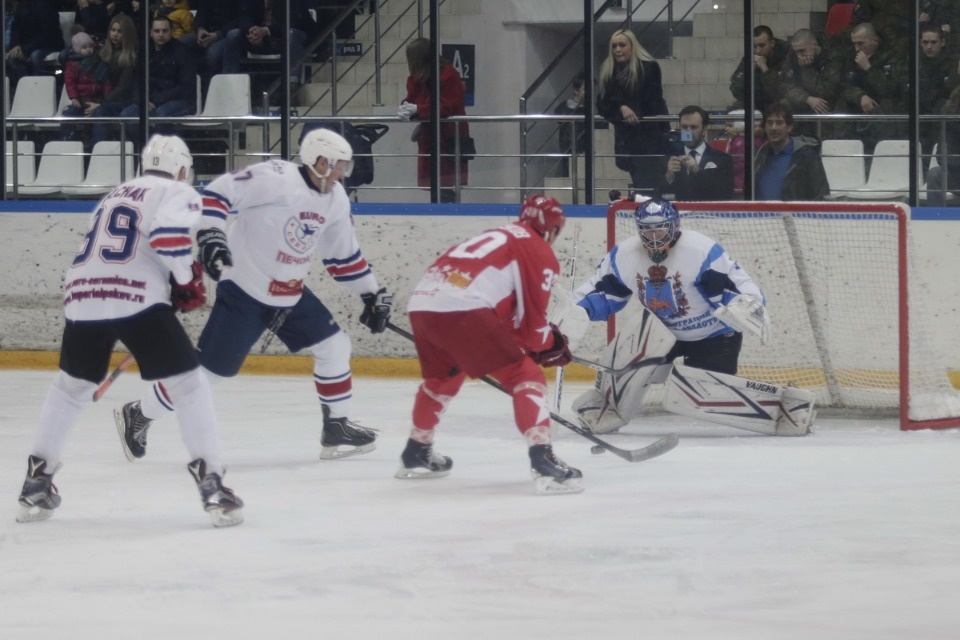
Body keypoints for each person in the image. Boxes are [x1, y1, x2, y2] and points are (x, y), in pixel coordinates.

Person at [115, 128, 392, 462]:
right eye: (338, 166)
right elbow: (216, 195)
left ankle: (336, 426)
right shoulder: (275, 177)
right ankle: (139, 413)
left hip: (290, 294)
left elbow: (342, 257)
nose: (341, 174)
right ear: (319, 161)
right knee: (210, 374)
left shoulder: (336, 200)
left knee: (335, 345)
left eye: (345, 167)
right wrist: (212, 235)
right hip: (244, 290)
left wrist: (371, 294)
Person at [15, 135, 244, 528]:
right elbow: (169, 238)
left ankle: (37, 481)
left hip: (82, 294)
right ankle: (212, 483)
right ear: (184, 169)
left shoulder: (115, 194)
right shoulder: (177, 190)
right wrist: (186, 278)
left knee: (71, 388)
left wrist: (170, 279)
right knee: (188, 384)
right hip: (136, 298)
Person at [567, 199, 810, 437]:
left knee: (701, 394)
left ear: (674, 226)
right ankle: (605, 408)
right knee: (623, 368)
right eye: (647, 230)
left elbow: (740, 285)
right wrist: (571, 316)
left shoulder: (700, 250)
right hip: (662, 333)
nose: (653, 237)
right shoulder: (624, 254)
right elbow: (603, 291)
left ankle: (784, 408)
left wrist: (746, 306)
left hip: (714, 335)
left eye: (660, 229)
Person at [399, 194, 581, 495]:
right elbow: (534, 329)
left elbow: (504, 317)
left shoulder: (497, 235)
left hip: (422, 303)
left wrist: (535, 343)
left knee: (443, 377)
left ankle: (416, 451)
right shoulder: (538, 249)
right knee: (525, 376)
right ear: (552, 229)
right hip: (463, 307)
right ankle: (543, 460)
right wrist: (550, 343)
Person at [596, 29, 669, 196]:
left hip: (649, 136)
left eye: (622, 45)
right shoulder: (608, 70)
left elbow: (654, 101)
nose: (617, 50)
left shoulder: (649, 68)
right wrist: (621, 107)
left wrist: (629, 108)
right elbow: (602, 103)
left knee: (651, 186)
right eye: (614, 46)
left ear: (632, 46)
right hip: (627, 139)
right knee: (640, 184)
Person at [398, 37, 470, 203]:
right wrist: (406, 107)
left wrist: (418, 109)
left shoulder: (448, 75)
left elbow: (447, 106)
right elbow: (412, 98)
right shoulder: (416, 79)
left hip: (450, 137)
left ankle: (449, 209)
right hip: (430, 137)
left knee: (447, 182)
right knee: (433, 184)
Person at [108, 15, 196, 141]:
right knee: (127, 114)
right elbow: (137, 81)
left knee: (161, 114)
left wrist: (156, 100)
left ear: (171, 32)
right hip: (149, 101)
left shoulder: (182, 51)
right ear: (151, 33)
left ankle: (160, 156)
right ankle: (142, 152)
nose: (160, 34)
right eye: (157, 31)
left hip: (179, 101)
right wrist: (142, 100)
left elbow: (185, 86)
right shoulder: (144, 51)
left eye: (165, 31)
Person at [839, 22, 908, 150]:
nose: (856, 48)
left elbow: (891, 89)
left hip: (884, 112)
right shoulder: (850, 57)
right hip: (857, 110)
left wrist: (868, 68)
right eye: (854, 43)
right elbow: (845, 86)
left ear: (875, 40)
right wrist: (860, 96)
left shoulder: (893, 57)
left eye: (861, 43)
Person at [655, 105, 734, 201]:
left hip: (708, 213)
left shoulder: (722, 159)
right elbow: (657, 197)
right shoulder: (667, 160)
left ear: (704, 130)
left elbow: (725, 195)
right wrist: (669, 176)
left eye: (693, 127)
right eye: (684, 127)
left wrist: (698, 171)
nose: (688, 132)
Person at [754, 102, 830, 201]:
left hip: (796, 216)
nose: (773, 128)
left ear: (789, 127)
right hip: (762, 215)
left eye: (779, 122)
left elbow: (821, 194)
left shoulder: (807, 156)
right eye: (769, 123)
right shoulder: (760, 154)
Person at [779, 28, 844, 137]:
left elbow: (826, 90)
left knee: (824, 107)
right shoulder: (792, 56)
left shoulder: (832, 56)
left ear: (814, 44)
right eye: (796, 51)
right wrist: (806, 98)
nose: (799, 55)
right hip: (804, 99)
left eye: (802, 51)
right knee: (783, 105)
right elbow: (785, 86)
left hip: (828, 100)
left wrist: (806, 69)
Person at [243, 0, 317, 92]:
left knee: (290, 34)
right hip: (264, 39)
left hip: (297, 34)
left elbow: (292, 21)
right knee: (233, 36)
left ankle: (291, 86)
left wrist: (266, 31)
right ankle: (232, 83)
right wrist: (253, 33)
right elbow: (244, 15)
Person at [181, 0, 251, 96]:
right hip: (208, 32)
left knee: (213, 53)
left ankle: (214, 94)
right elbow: (201, 15)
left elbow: (242, 20)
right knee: (181, 44)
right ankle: (187, 93)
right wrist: (200, 29)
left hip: (228, 35)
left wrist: (218, 34)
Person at [88, 13, 138, 146]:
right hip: (107, 99)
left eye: (120, 31)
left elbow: (123, 88)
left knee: (100, 111)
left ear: (127, 34)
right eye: (113, 30)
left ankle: (101, 153)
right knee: (72, 111)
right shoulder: (103, 53)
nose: (115, 34)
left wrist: (102, 103)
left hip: (127, 101)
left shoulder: (131, 57)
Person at [60, 31, 111, 143]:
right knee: (68, 113)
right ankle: (67, 143)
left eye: (90, 46)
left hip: (97, 100)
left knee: (100, 114)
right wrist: (74, 97)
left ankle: (98, 146)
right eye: (84, 47)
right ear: (78, 49)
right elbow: (70, 82)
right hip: (81, 100)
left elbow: (105, 82)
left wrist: (106, 99)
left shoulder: (99, 62)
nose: (88, 49)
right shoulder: (73, 65)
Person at [728, 25, 791, 113]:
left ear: (772, 43)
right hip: (757, 98)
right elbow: (735, 88)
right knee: (735, 108)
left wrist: (764, 69)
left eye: (762, 46)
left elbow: (780, 91)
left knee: (784, 104)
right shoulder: (751, 56)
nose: (758, 51)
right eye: (754, 46)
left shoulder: (785, 53)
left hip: (777, 100)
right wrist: (750, 71)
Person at [4, 0, 64, 90]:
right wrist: (14, 47)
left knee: (35, 56)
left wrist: (25, 49)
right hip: (27, 45)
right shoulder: (22, 6)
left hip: (49, 44)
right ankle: (25, 88)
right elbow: (15, 28)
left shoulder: (46, 5)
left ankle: (41, 89)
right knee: (12, 57)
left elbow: (48, 34)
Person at [721, 109, 764, 195]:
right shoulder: (755, 138)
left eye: (730, 126)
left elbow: (739, 164)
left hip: (739, 184)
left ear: (740, 126)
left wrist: (724, 168)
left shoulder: (740, 142)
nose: (726, 128)